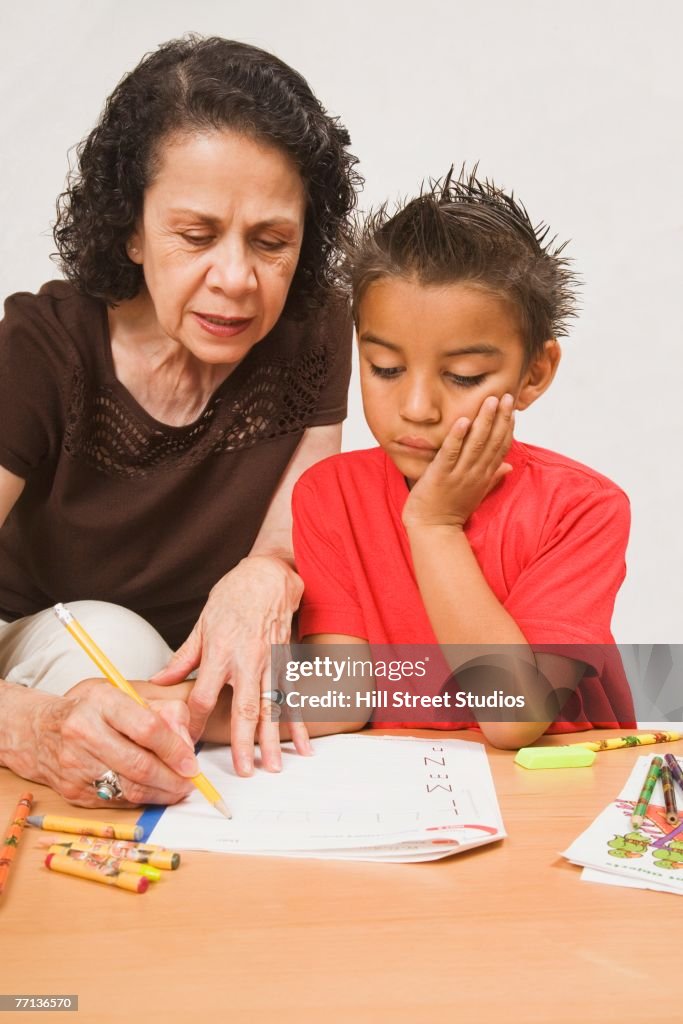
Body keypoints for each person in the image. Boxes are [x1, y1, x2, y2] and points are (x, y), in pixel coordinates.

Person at [0, 35, 361, 807]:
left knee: (357, 676)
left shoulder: (316, 328)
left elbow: (292, 532)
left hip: (197, 677)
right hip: (45, 647)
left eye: (272, 243)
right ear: (131, 229)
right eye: (195, 236)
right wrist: (28, 726)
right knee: (121, 651)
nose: (235, 280)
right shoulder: (40, 348)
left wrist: (268, 571)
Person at [291, 169, 636, 748]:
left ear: (535, 373)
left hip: (557, 803)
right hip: (406, 800)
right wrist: (174, 709)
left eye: (463, 376)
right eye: (385, 369)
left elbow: (514, 716)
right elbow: (339, 697)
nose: (418, 407)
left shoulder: (582, 508)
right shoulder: (329, 496)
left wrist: (434, 525)